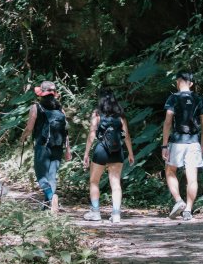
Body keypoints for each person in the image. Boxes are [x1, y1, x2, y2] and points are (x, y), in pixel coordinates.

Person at [82, 88, 136, 223]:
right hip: (117, 151)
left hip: (101, 150)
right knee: (116, 183)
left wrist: (86, 154)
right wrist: (130, 153)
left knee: (94, 181)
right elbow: (126, 136)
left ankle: (95, 212)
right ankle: (116, 214)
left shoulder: (97, 114)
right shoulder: (120, 116)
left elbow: (92, 134)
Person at [161, 71, 203, 221]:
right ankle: (188, 210)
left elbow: (168, 122)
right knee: (192, 178)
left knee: (169, 170)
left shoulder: (173, 98)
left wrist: (164, 145)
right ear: (191, 84)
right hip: (194, 142)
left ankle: (178, 201)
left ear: (178, 82)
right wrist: (202, 146)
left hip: (177, 141)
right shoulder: (198, 99)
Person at [21, 80, 72, 213]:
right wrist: (68, 150)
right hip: (58, 147)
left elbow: (29, 127)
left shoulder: (36, 107)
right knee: (52, 176)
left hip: (42, 147)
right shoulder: (60, 109)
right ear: (54, 94)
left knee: (41, 176)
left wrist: (23, 137)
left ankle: (51, 198)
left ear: (41, 93)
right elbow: (66, 131)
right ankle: (49, 206)